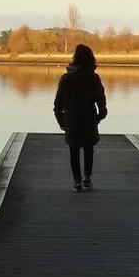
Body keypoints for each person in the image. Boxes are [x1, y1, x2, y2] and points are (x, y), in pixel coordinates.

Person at [53, 44, 108, 192]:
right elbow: (101, 101)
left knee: (74, 150)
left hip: (72, 120)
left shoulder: (66, 79)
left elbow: (58, 104)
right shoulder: (94, 78)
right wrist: (99, 117)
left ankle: (77, 182)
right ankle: (87, 177)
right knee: (89, 149)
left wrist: (61, 122)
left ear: (74, 58)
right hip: (89, 119)